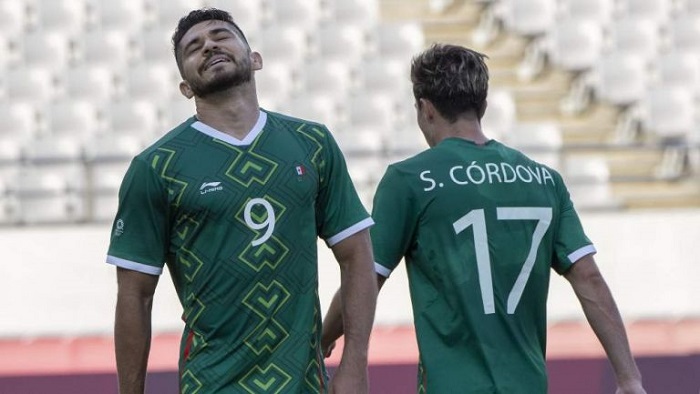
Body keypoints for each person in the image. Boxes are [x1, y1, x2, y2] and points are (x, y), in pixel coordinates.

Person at [322, 44, 646, 393]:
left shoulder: (410, 179)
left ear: (425, 109)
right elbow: (590, 280)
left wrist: (323, 337)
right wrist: (629, 379)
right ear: (483, 107)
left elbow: (365, 280)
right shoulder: (545, 180)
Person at [107, 8, 377, 394]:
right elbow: (135, 296)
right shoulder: (157, 167)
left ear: (255, 59)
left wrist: (355, 363)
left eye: (221, 35)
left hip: (304, 384)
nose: (209, 46)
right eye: (193, 47)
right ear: (185, 86)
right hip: (212, 383)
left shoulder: (312, 143)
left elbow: (357, 255)